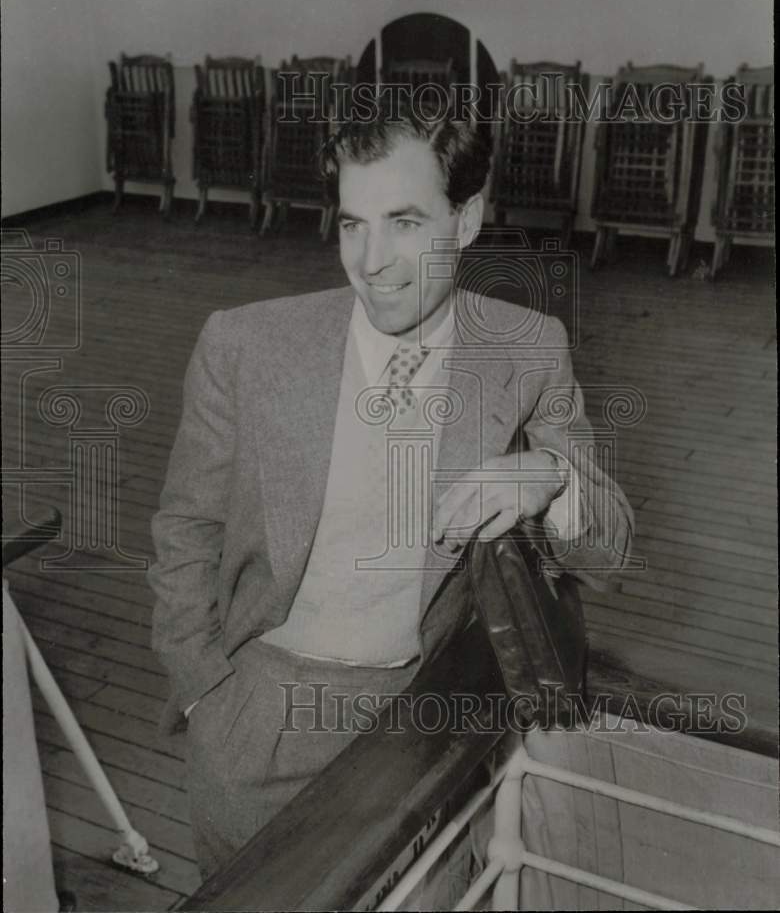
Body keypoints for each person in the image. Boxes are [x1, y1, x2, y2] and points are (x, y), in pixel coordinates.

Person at [147, 105, 633, 878]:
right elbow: (184, 532)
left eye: (405, 223)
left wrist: (553, 475)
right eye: (351, 225)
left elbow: (610, 548)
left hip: (420, 720)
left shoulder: (528, 350)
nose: (372, 261)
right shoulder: (245, 345)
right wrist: (208, 693)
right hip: (255, 716)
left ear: (466, 219)